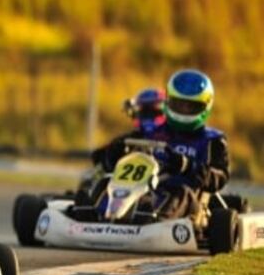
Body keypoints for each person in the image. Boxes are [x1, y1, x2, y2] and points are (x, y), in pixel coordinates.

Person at [96, 69, 229, 219]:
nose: (184, 111)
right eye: (179, 104)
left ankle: (153, 220)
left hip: (187, 203)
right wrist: (114, 153)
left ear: (205, 106)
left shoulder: (212, 140)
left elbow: (220, 177)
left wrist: (187, 166)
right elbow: (106, 162)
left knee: (181, 192)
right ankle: (89, 214)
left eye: (190, 106)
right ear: (168, 101)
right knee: (106, 181)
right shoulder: (150, 131)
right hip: (144, 191)